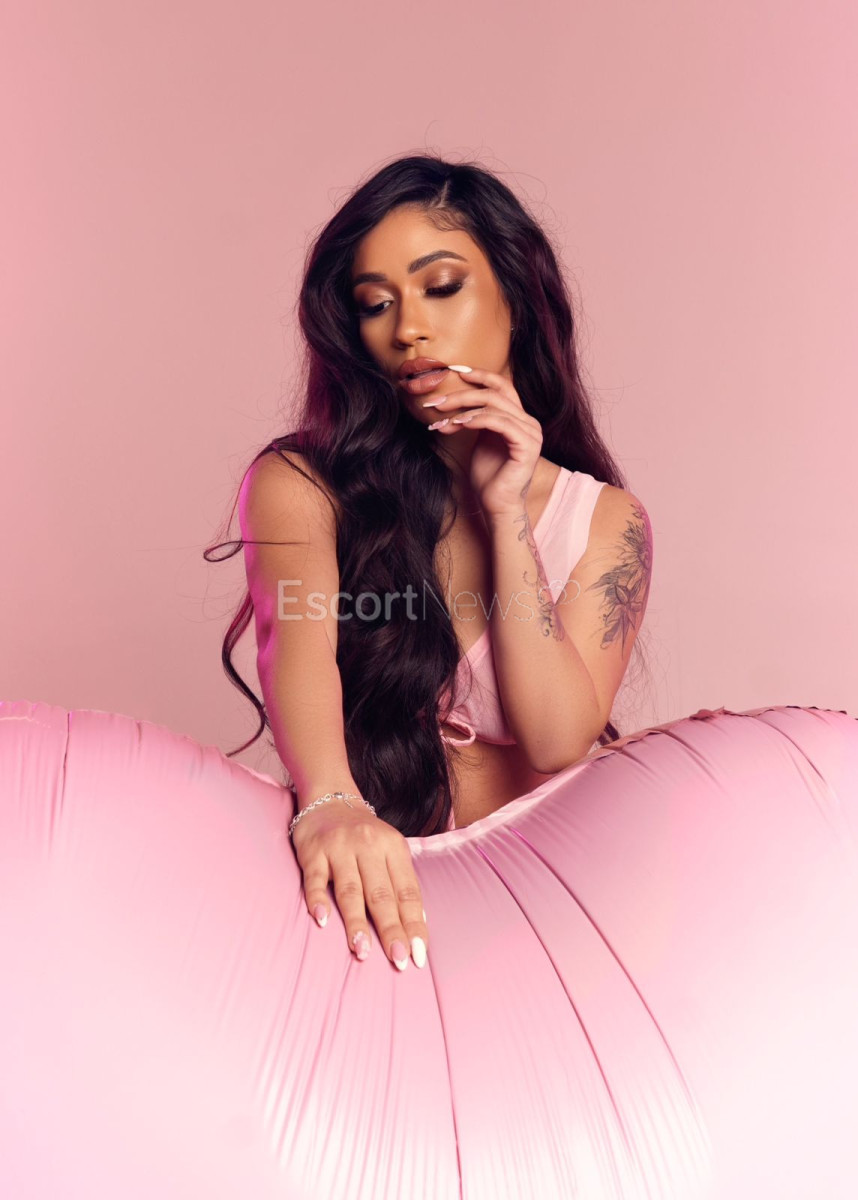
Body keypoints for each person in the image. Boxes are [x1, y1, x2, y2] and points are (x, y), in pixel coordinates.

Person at [204, 154, 653, 977]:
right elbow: (293, 648)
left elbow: (557, 739)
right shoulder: (301, 486)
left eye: (441, 287)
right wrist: (333, 803)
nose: (407, 328)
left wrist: (505, 511)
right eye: (376, 303)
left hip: (543, 918)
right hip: (373, 901)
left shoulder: (607, 522)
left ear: (516, 296)